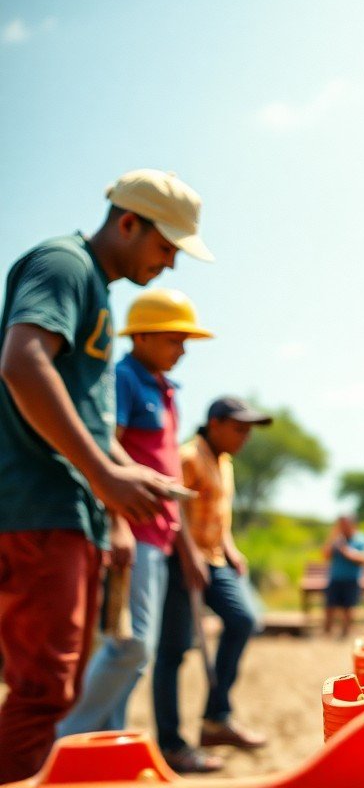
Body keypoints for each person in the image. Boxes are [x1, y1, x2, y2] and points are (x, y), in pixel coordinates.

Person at [0, 169, 211, 782]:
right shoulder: (64, 265)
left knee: (52, 688)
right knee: (43, 691)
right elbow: (22, 362)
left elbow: (85, 417)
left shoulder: (94, 286)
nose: (170, 263)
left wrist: (123, 478)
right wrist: (101, 474)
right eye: (165, 246)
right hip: (40, 507)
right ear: (128, 223)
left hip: (65, 511)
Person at [59, 289, 213, 736]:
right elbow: (106, 450)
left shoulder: (166, 391)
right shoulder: (123, 379)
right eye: (173, 339)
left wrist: (185, 546)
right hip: (134, 531)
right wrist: (118, 522)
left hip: (160, 536)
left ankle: (105, 743)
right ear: (141, 336)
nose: (182, 350)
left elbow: (165, 474)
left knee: (137, 658)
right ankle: (65, 739)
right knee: (130, 646)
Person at [153, 397, 270, 773]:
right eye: (239, 429)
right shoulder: (188, 457)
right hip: (182, 560)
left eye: (249, 431)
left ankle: (216, 719)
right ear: (215, 424)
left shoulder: (225, 463)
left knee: (243, 620)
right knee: (173, 651)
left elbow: (219, 515)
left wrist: (230, 548)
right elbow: (172, 510)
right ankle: (171, 744)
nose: (245, 437)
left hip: (216, 559)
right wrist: (189, 556)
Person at [323, 514, 364, 638]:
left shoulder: (362, 539)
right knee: (329, 606)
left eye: (345, 524)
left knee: (349, 608)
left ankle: (345, 634)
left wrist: (347, 552)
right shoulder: (336, 539)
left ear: (353, 524)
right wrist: (332, 540)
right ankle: (327, 634)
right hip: (335, 578)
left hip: (352, 579)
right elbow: (325, 556)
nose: (343, 527)